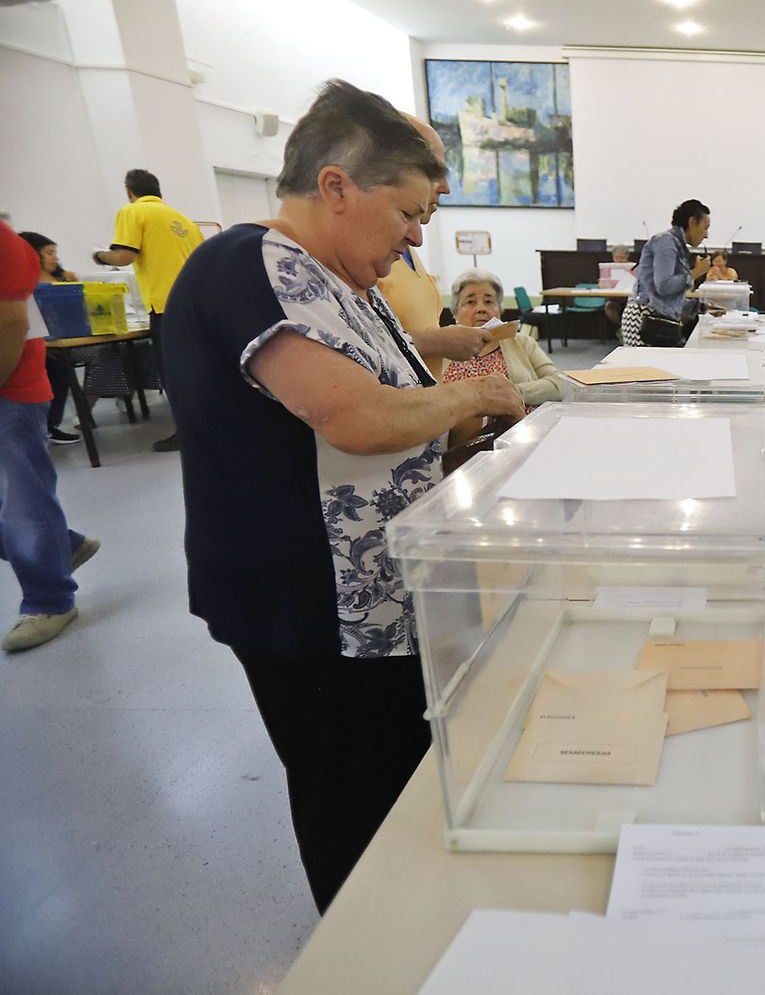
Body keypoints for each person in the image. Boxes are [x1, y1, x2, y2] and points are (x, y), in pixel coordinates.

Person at [161, 79, 525, 912]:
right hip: (313, 611)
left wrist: (452, 384)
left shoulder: (335, 278)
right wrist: (476, 397)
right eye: (406, 215)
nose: (411, 240)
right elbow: (358, 414)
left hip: (380, 602)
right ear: (336, 186)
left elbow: (388, 377)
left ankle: (406, 924)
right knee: (350, 804)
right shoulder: (248, 262)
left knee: (396, 783)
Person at [0, 222, 99, 652]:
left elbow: (10, 325)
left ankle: (49, 600)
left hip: (10, 388)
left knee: (23, 497)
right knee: (23, 502)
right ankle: (62, 544)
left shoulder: (6, 245)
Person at [91, 168, 203, 452]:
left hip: (166, 306)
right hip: (196, 305)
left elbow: (124, 255)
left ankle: (186, 433)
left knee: (174, 374)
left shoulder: (133, 212)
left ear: (130, 192)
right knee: (197, 371)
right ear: (159, 191)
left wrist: (99, 256)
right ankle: (208, 426)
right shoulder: (184, 220)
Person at [375, 115, 494, 381]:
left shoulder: (407, 246)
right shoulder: (367, 259)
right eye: (433, 174)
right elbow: (366, 348)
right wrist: (438, 341)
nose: (446, 188)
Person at [442, 269, 564, 446]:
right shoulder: (441, 350)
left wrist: (509, 392)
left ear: (500, 309)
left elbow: (558, 385)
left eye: (489, 301)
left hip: (526, 438)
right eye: (470, 302)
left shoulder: (522, 342)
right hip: (463, 451)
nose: (481, 308)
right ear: (455, 312)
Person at [17, 231, 81, 445]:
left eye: (55, 252)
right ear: (33, 254)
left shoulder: (65, 278)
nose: (55, 257)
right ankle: (48, 425)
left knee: (106, 354)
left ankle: (61, 421)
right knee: (57, 365)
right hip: (42, 344)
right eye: (49, 253)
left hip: (71, 340)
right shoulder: (24, 283)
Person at [620, 199, 711, 348]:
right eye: (705, 227)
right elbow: (663, 286)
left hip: (655, 319)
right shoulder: (666, 242)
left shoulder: (676, 245)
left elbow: (668, 299)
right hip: (644, 320)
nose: (706, 235)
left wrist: (702, 307)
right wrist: (695, 273)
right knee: (646, 370)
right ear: (692, 222)